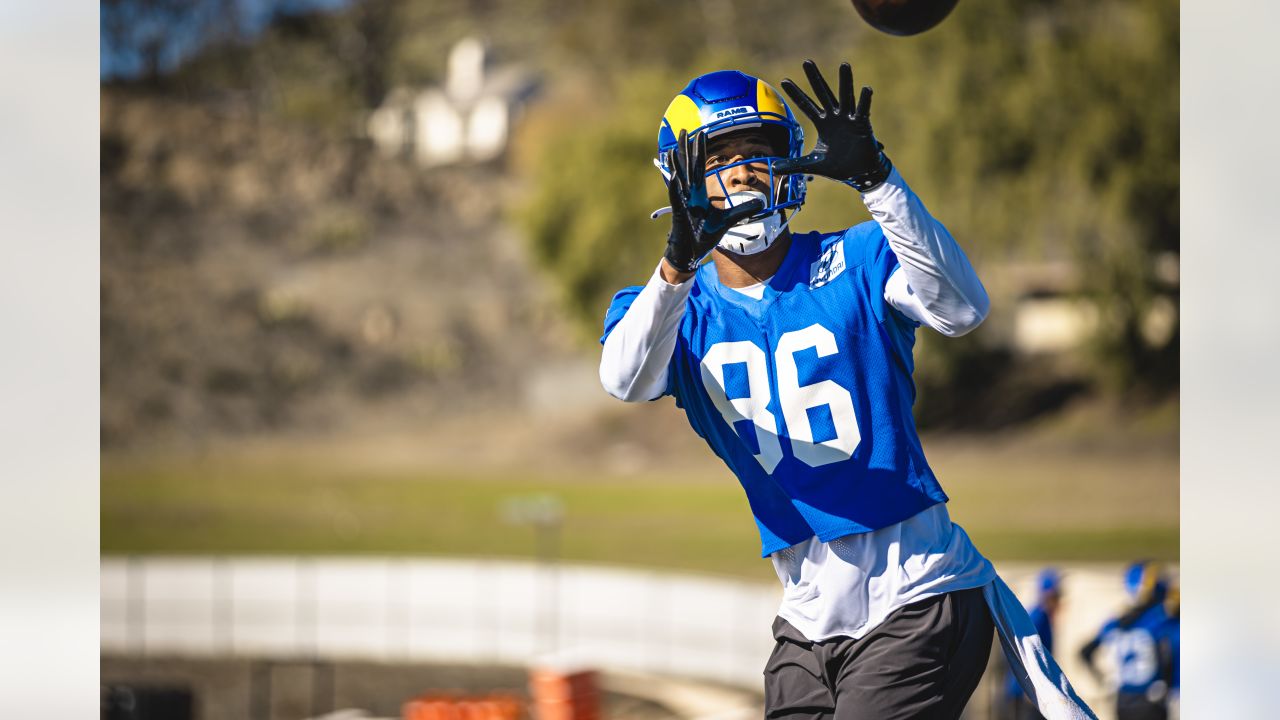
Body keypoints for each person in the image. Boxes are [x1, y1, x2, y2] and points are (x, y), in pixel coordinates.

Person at [597, 60, 1094, 720]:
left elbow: (963, 309)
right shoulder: (665, 306)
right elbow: (624, 380)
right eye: (720, 155)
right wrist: (676, 265)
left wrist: (879, 180)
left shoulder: (855, 257)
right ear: (680, 175)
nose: (744, 169)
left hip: (913, 589)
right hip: (808, 616)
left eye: (760, 152)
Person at [1079, 561, 1173, 720]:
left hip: (1123, 701)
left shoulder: (1115, 624)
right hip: (1151, 700)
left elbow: (1084, 651)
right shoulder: (1158, 621)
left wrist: (1104, 680)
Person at [1001, 569, 1064, 720]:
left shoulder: (1044, 616)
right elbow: (1022, 651)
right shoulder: (1038, 617)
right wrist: (1031, 687)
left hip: (1035, 690)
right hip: (1025, 691)